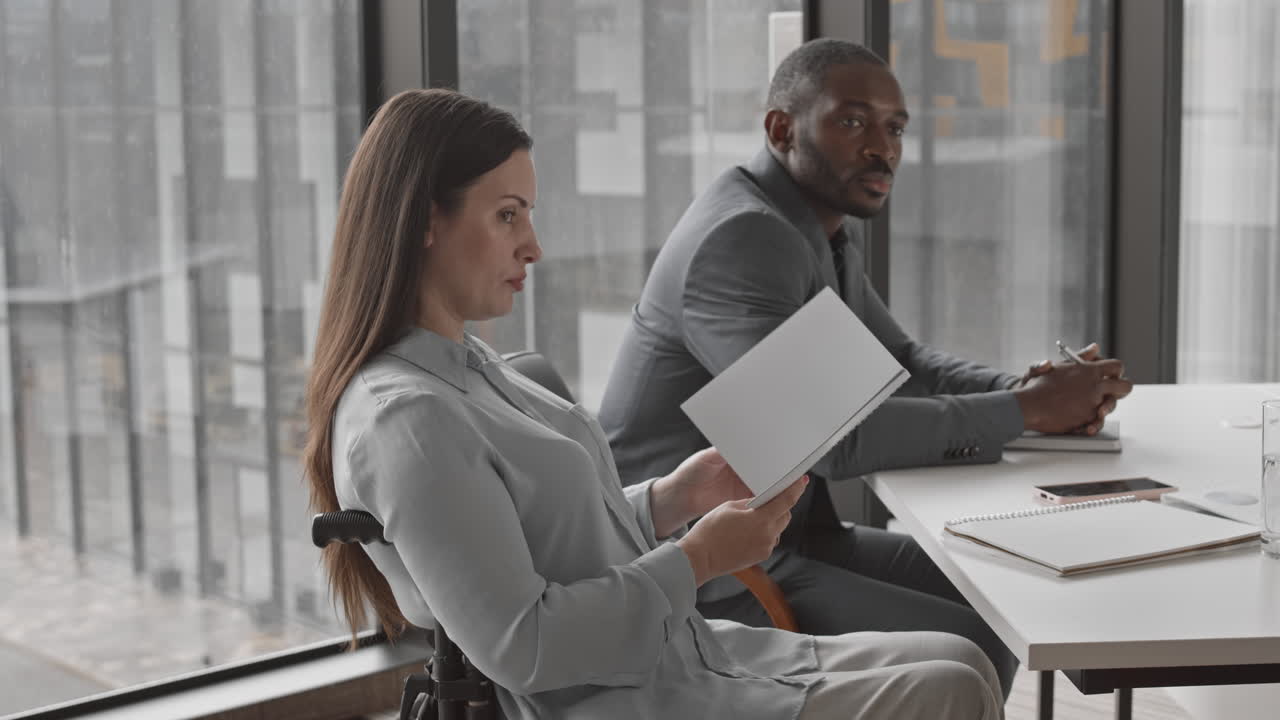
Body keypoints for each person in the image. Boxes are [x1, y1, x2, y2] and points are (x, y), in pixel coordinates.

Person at [302, 88, 1004, 720]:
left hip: (677, 659)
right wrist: (696, 559)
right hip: (625, 695)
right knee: (955, 685)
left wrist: (674, 496)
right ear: (426, 220)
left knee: (963, 659)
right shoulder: (408, 419)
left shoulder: (473, 365)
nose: (534, 246)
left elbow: (556, 539)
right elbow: (524, 646)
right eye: (507, 215)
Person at [598, 38, 1134, 699]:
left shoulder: (814, 228)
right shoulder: (741, 238)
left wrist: (1032, 390)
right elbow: (832, 441)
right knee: (971, 639)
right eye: (853, 122)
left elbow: (901, 361)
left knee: (1007, 594)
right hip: (705, 564)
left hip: (791, 537)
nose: (883, 148)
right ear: (781, 128)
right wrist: (1028, 412)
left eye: (895, 127)